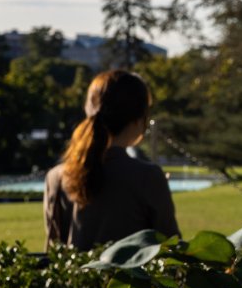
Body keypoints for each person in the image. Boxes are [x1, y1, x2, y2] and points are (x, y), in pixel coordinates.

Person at [44, 70, 180, 250]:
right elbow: (171, 248)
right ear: (139, 119)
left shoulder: (56, 177)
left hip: (75, 278)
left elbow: (56, 251)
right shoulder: (148, 177)